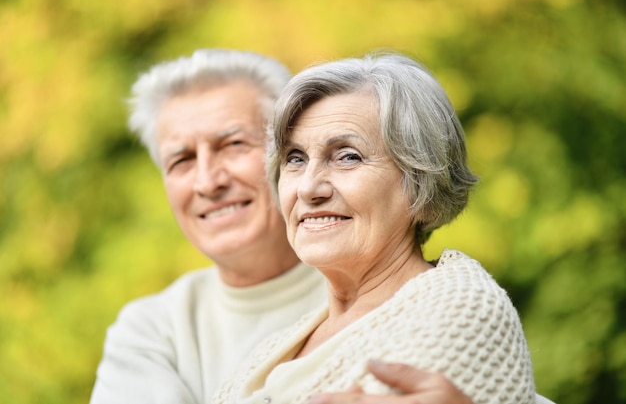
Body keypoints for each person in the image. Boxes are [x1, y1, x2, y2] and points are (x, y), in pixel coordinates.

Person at [89, 49, 478, 404]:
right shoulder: (151, 329)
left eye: (234, 144)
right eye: (182, 160)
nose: (208, 182)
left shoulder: (434, 301)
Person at [213, 52, 536, 404]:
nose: (308, 188)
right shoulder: (276, 345)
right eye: (295, 158)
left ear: (420, 184)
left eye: (347, 156)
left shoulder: (458, 310)